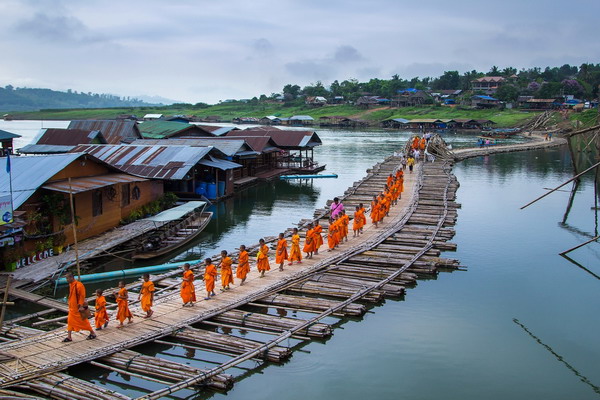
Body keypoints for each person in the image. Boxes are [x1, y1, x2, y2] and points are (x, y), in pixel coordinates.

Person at [63, 272, 96, 341]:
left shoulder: (79, 285)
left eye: (67, 278)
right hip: (72, 307)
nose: (67, 280)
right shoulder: (71, 284)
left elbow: (82, 296)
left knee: (83, 321)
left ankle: (92, 333)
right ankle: (69, 337)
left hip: (77, 307)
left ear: (72, 278)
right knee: (70, 321)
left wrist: (80, 305)